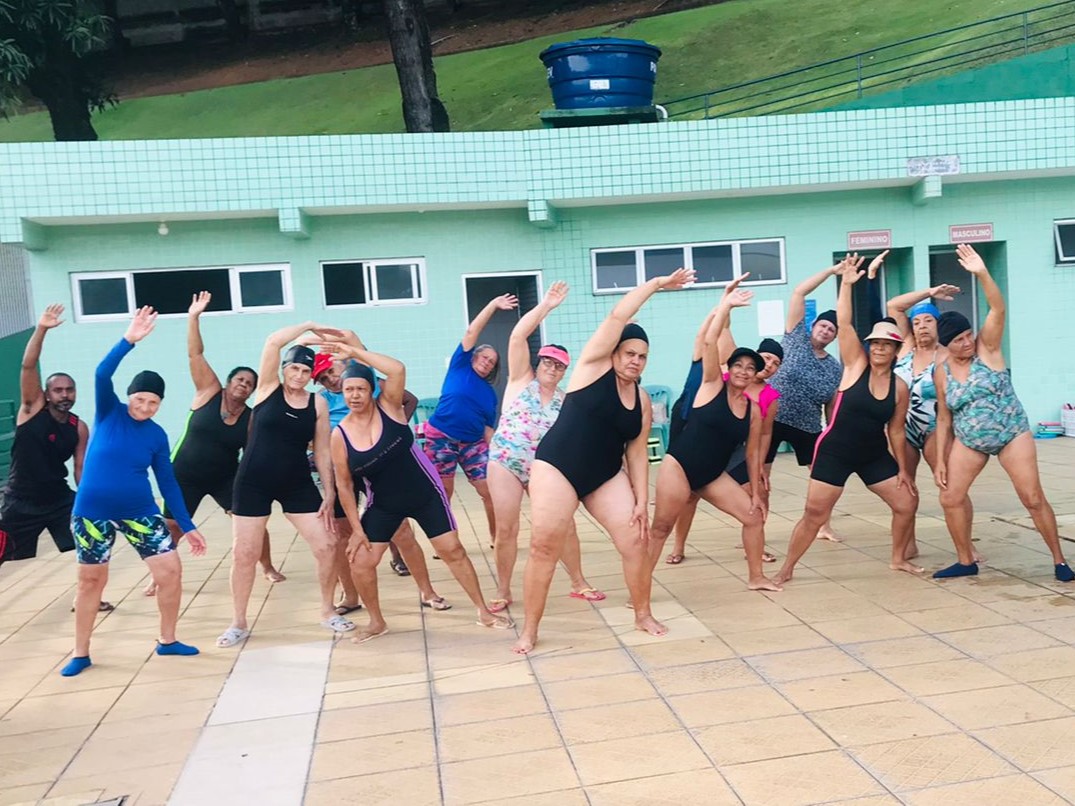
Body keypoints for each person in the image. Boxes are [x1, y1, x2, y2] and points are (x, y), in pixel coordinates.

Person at [512, 267, 695, 655]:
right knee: (544, 547)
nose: (636, 361)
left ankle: (642, 614)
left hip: (605, 475)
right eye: (629, 353)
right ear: (614, 352)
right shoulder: (592, 367)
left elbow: (636, 452)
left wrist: (641, 500)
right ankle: (529, 630)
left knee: (636, 541)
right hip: (558, 467)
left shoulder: (641, 399)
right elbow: (618, 315)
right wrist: (657, 283)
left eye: (642, 357)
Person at [327, 343, 512, 643]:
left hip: (425, 494)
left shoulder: (389, 407)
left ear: (372, 390)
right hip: (383, 504)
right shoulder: (340, 434)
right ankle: (376, 622)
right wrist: (357, 530)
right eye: (349, 390)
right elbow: (345, 485)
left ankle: (484, 611)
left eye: (361, 389)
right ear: (342, 392)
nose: (355, 395)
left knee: (452, 550)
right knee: (360, 562)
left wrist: (354, 352)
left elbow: (396, 369)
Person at [63, 307, 207, 677]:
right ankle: (80, 652)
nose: (145, 406)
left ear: (160, 405)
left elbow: (168, 482)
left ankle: (168, 640)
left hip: (139, 511)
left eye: (153, 402)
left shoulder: (157, 435)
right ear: (129, 397)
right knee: (91, 581)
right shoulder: (109, 411)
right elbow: (101, 373)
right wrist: (129, 339)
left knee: (170, 571)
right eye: (140, 399)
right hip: (92, 512)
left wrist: (188, 525)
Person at [773, 256, 919, 586]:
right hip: (835, 451)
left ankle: (898, 558)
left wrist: (904, 471)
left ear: (896, 350)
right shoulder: (854, 365)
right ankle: (787, 569)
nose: (879, 348)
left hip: (873, 454)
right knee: (814, 514)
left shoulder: (899, 387)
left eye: (887, 345)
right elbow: (846, 323)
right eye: (876, 343)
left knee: (906, 502)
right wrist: (848, 285)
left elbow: (896, 430)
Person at [932, 244, 1073, 582]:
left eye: (968, 335)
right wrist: (940, 459)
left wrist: (982, 273)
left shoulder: (988, 348)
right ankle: (965, 560)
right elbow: (944, 418)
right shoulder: (942, 372)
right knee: (950, 497)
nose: (967, 342)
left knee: (1032, 498)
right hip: (970, 441)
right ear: (946, 345)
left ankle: (1059, 561)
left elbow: (998, 307)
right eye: (959, 340)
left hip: (1012, 434)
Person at [646, 278, 780, 620]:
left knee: (753, 517)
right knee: (661, 528)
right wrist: (725, 306)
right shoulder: (710, 385)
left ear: (755, 374)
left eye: (750, 368)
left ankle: (756, 577)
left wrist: (755, 492)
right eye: (738, 365)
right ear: (728, 368)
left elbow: (753, 453)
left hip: (711, 475)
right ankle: (640, 587)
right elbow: (709, 340)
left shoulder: (753, 409)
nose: (744, 371)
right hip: (679, 467)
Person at [217, 323, 347, 649]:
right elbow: (273, 341)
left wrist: (329, 491)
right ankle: (238, 622)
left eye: (305, 370)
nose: (299, 375)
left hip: (296, 482)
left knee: (328, 544)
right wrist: (310, 327)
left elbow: (322, 450)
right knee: (245, 553)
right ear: (284, 369)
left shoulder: (317, 404)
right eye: (294, 369)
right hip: (253, 482)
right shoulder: (267, 388)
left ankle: (328, 610)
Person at [143, 292, 281, 597]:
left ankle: (268, 566)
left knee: (251, 521)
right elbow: (195, 355)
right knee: (172, 527)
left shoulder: (250, 417)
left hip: (224, 478)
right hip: (184, 474)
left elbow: (255, 452)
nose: (243, 385)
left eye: (249, 383)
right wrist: (193, 317)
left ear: (252, 391)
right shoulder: (208, 391)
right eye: (239, 379)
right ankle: (158, 577)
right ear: (229, 382)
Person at [485, 281, 603, 613]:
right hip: (506, 461)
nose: (552, 368)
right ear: (538, 364)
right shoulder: (521, 381)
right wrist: (547, 306)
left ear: (565, 371)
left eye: (558, 365)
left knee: (564, 524)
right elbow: (517, 337)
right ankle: (503, 590)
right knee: (507, 528)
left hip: (542, 469)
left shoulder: (566, 401)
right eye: (547, 362)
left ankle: (578, 582)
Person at [311, 339, 452, 614]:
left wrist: (395, 434)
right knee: (342, 536)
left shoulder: (365, 385)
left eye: (331, 371)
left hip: (376, 466)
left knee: (402, 532)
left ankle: (427, 591)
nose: (330, 379)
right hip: (344, 468)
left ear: (341, 365)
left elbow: (404, 396)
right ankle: (351, 596)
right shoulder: (322, 401)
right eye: (323, 378)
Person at [665, 325, 784, 566]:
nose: (769, 364)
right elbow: (721, 334)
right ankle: (678, 546)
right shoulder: (726, 379)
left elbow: (764, 434)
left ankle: (756, 547)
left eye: (776, 363)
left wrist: (760, 466)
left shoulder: (769, 397)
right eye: (767, 358)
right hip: (703, 446)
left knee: (759, 493)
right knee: (689, 498)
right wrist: (725, 311)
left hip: (736, 450)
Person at [766, 259, 860, 542]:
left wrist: (832, 432)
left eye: (831, 329)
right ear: (813, 325)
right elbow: (799, 292)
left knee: (823, 475)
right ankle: (757, 527)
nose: (826, 331)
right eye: (823, 325)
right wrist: (832, 271)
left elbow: (831, 404)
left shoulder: (833, 367)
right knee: (760, 475)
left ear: (835, 336)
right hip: (772, 417)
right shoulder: (795, 338)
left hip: (807, 425)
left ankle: (823, 526)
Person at [423, 294, 518, 545]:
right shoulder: (460, 365)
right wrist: (493, 305)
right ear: (473, 356)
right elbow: (472, 331)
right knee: (444, 492)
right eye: (484, 357)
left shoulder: (489, 394)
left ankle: (497, 539)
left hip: (472, 444)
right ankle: (446, 543)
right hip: (441, 437)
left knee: (489, 490)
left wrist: (505, 455)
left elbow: (488, 429)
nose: (487, 363)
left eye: (492, 362)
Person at [0, 306, 90, 567]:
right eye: (58, 390)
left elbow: (80, 468)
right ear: (47, 394)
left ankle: (91, 589)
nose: (65, 395)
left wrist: (88, 498)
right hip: (20, 500)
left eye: (69, 390)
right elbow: (28, 365)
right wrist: (41, 329)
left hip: (58, 500)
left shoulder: (78, 427)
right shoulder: (31, 410)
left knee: (91, 542)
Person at [886, 279, 961, 561]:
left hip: (934, 427)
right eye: (917, 322)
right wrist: (930, 293)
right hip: (902, 428)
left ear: (938, 325)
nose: (922, 326)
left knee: (949, 484)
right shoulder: (905, 347)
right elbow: (894, 306)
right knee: (904, 487)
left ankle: (965, 546)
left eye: (928, 320)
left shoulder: (947, 355)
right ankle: (909, 544)